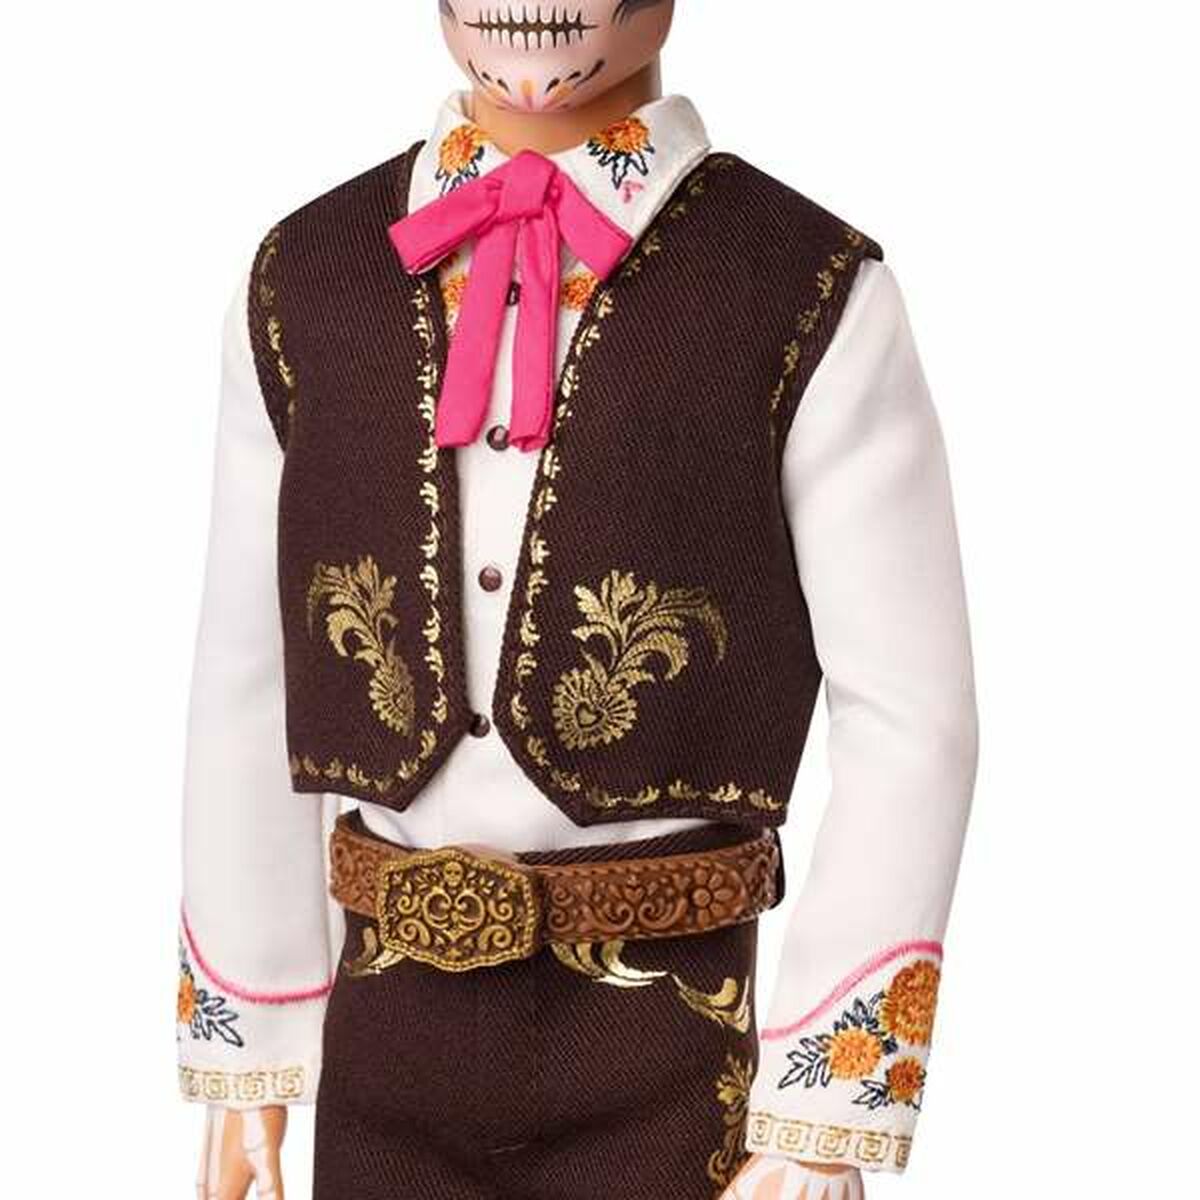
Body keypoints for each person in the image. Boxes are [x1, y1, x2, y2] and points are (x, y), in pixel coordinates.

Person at [178, 4, 978, 1197]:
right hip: (383, 1043)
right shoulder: (306, 275)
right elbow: (248, 671)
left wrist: (822, 1101)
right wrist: (250, 1038)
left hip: (669, 1043)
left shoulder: (804, 287)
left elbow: (910, 713)